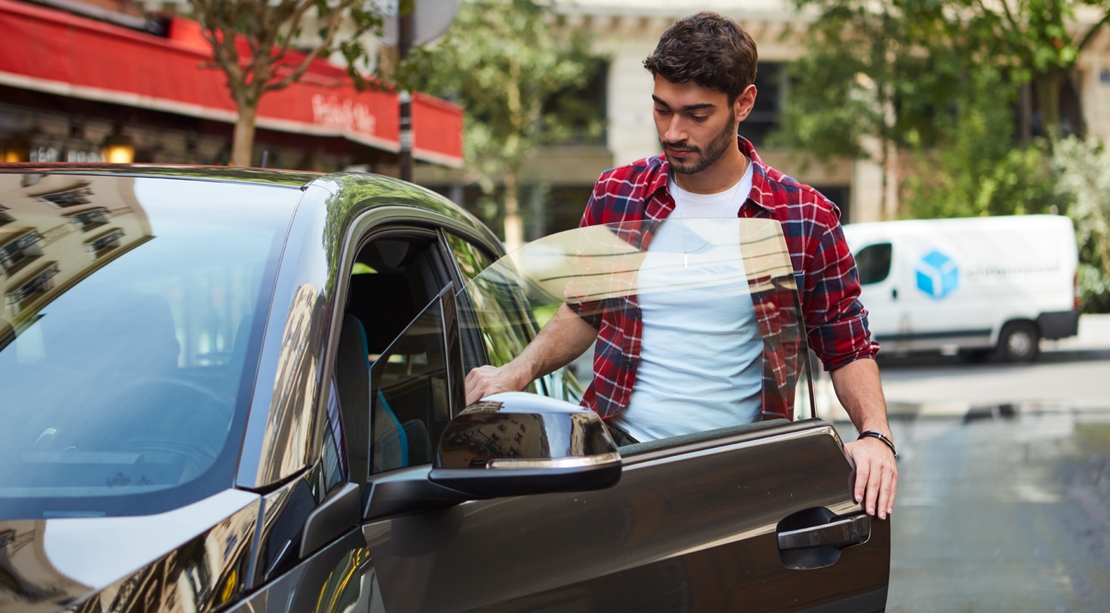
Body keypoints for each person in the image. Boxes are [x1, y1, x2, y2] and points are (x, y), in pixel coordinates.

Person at [465, 11, 898, 520]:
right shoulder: (618, 193)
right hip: (618, 458)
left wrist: (875, 436)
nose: (673, 131)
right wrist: (515, 373)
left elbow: (845, 346)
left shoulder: (802, 217)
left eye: (696, 115)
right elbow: (585, 309)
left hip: (739, 468)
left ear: (744, 103)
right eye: (662, 109)